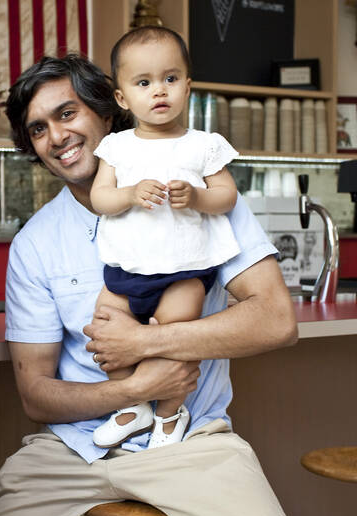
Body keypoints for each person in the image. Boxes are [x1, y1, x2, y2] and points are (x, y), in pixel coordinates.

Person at [0, 53, 316, 516]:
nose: (56, 137)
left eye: (67, 114)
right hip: (74, 448)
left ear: (107, 113)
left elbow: (275, 320)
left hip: (191, 440)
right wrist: (138, 387)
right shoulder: (34, 243)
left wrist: (146, 343)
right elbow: (36, 396)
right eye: (38, 129)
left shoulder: (202, 195)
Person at [89, 27, 241, 449]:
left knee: (178, 339)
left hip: (185, 272)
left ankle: (171, 414)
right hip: (126, 270)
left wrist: (196, 196)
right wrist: (130, 195)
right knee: (104, 328)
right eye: (143, 82)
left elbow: (227, 197)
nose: (159, 91)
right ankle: (133, 405)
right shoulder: (116, 147)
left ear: (188, 87)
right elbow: (101, 198)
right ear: (122, 98)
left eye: (170, 79)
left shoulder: (203, 145)